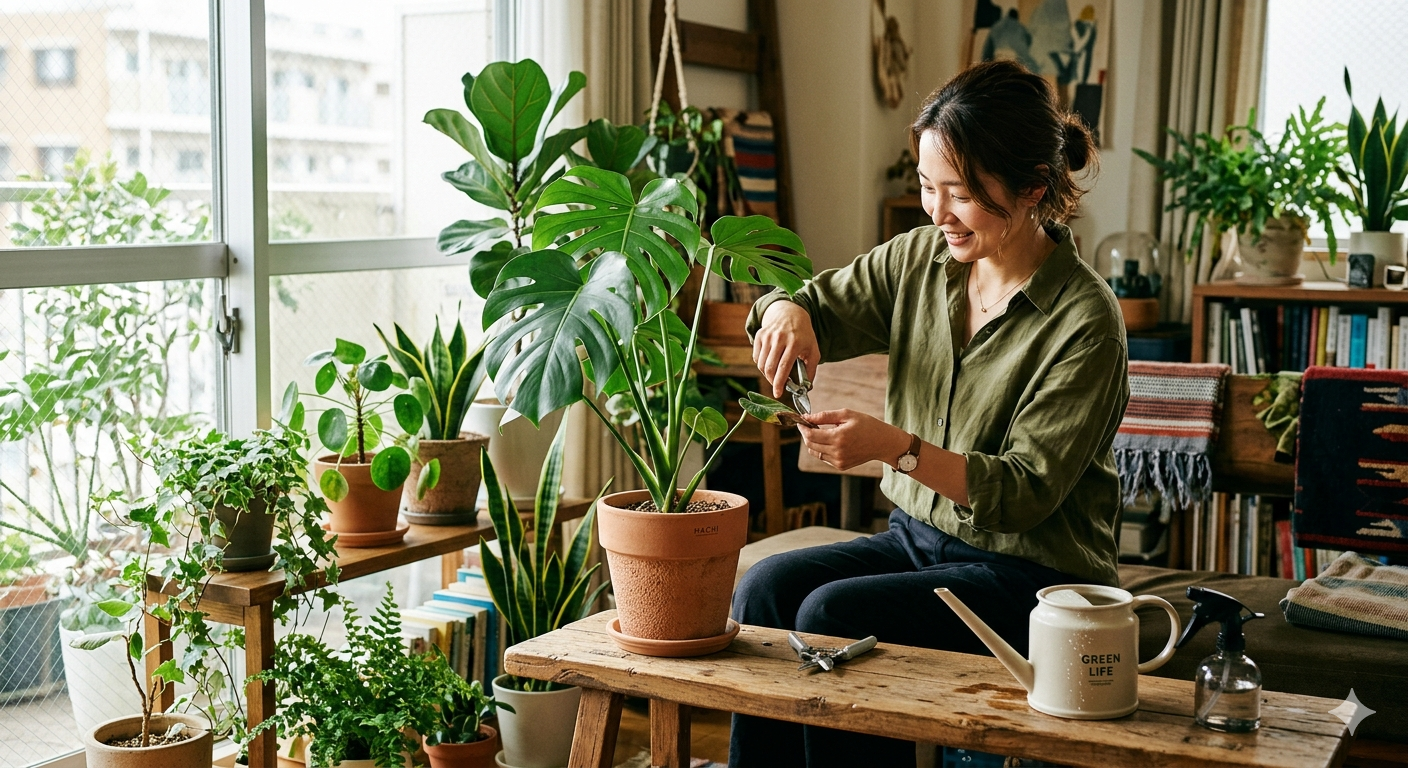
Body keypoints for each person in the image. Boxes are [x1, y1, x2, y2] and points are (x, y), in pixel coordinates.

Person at [731, 59, 1129, 768]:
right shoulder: (921, 261)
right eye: (926, 187)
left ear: (1034, 188)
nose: (936, 212)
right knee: (764, 586)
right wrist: (787, 312)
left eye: (962, 195)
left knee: (831, 616)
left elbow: (1021, 493)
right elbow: (811, 301)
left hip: (1027, 579)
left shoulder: (1085, 321)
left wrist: (895, 447)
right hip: (919, 542)